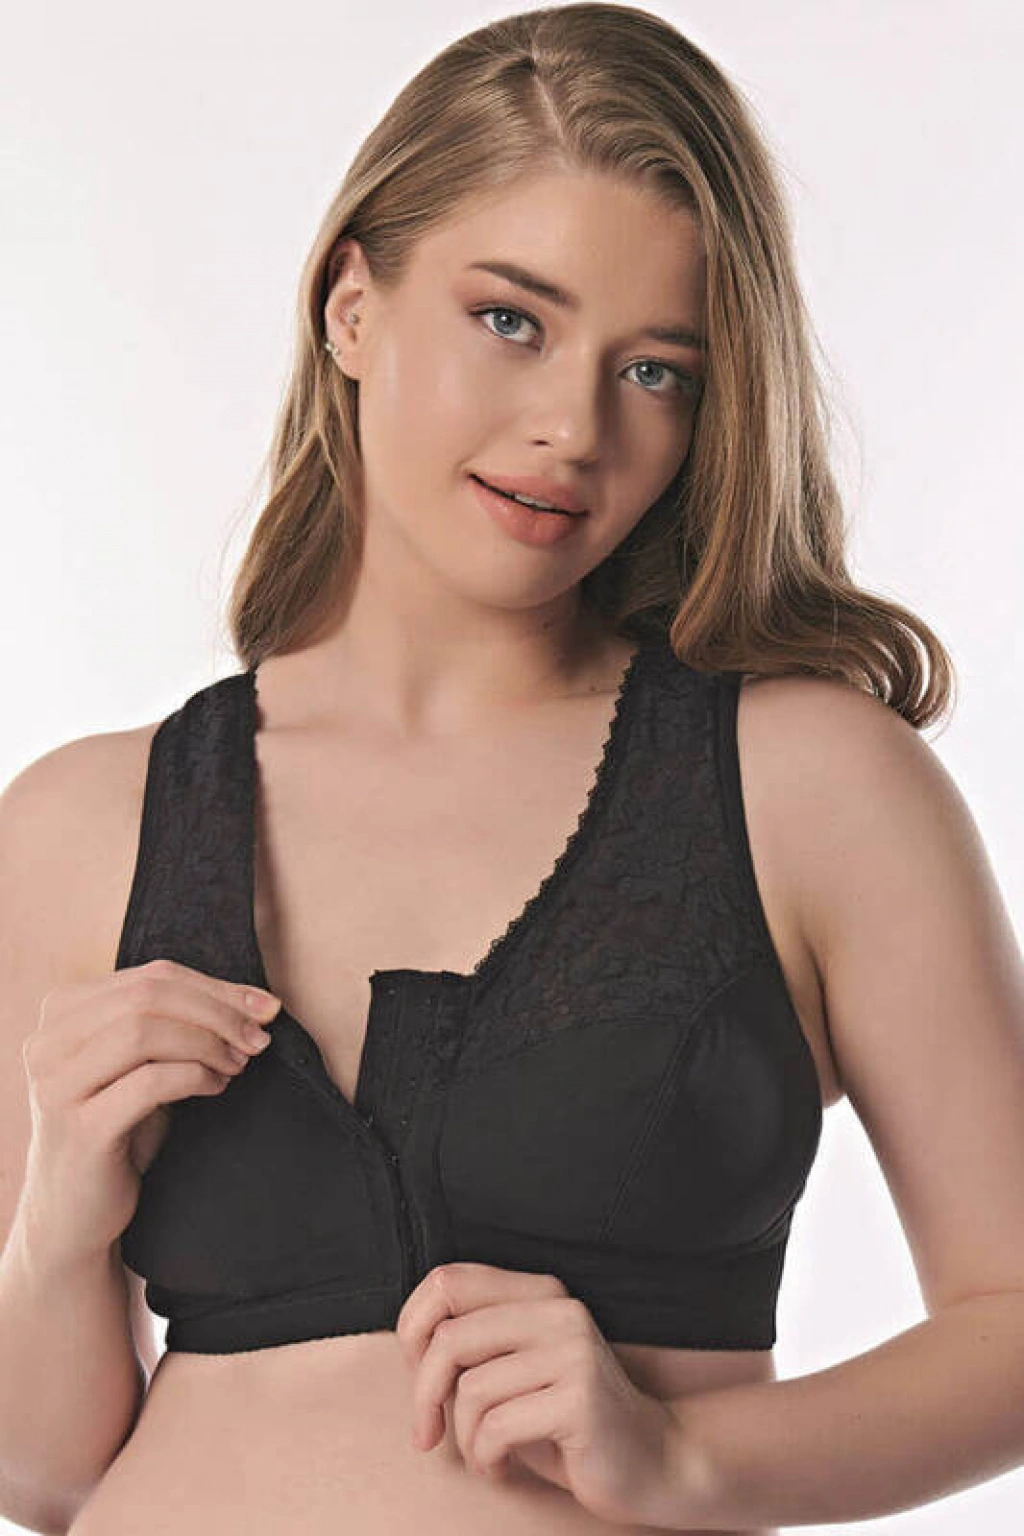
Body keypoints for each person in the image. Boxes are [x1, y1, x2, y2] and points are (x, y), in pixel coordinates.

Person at [3, 4, 1023, 1534]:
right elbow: (48, 1477)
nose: (570, 428)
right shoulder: (79, 824)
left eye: (656, 371)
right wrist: (56, 1229)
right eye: (511, 321)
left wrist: (684, 1463)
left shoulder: (809, 788)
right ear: (354, 307)